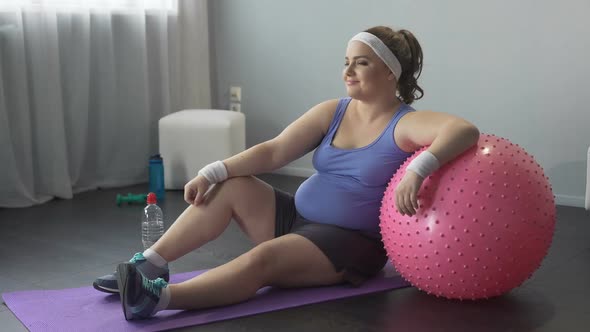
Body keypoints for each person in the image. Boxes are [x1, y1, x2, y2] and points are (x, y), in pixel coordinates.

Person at [93, 25, 480, 320]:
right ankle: (151, 262)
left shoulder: (403, 123)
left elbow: (462, 130)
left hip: (346, 244)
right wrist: (215, 171)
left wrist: (419, 168)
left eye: (362, 62)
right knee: (232, 185)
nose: (349, 70)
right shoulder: (335, 110)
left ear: (391, 73)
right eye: (346, 61)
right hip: (296, 218)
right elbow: (275, 150)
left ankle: (156, 299)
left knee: (265, 260)